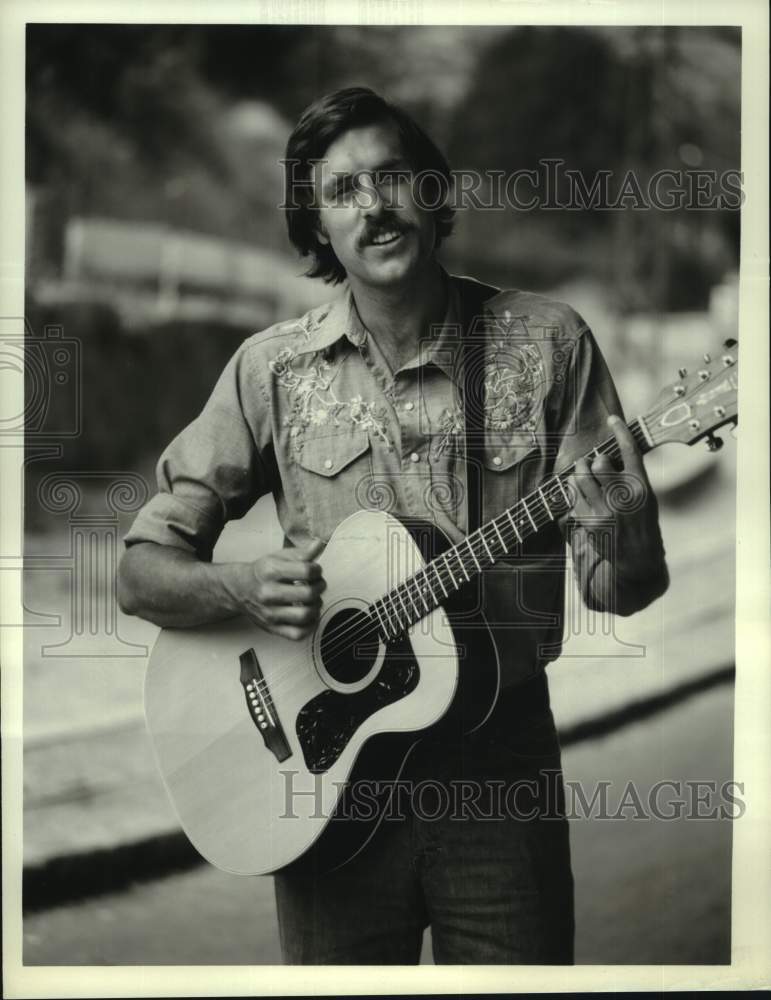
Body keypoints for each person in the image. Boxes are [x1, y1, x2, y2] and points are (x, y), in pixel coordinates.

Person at [118, 87, 669, 964]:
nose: (373, 206)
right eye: (343, 191)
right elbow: (140, 571)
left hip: (497, 777)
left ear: (432, 191)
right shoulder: (271, 371)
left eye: (392, 177)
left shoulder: (547, 346)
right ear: (317, 225)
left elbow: (619, 591)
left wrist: (626, 532)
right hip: (323, 781)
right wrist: (240, 587)